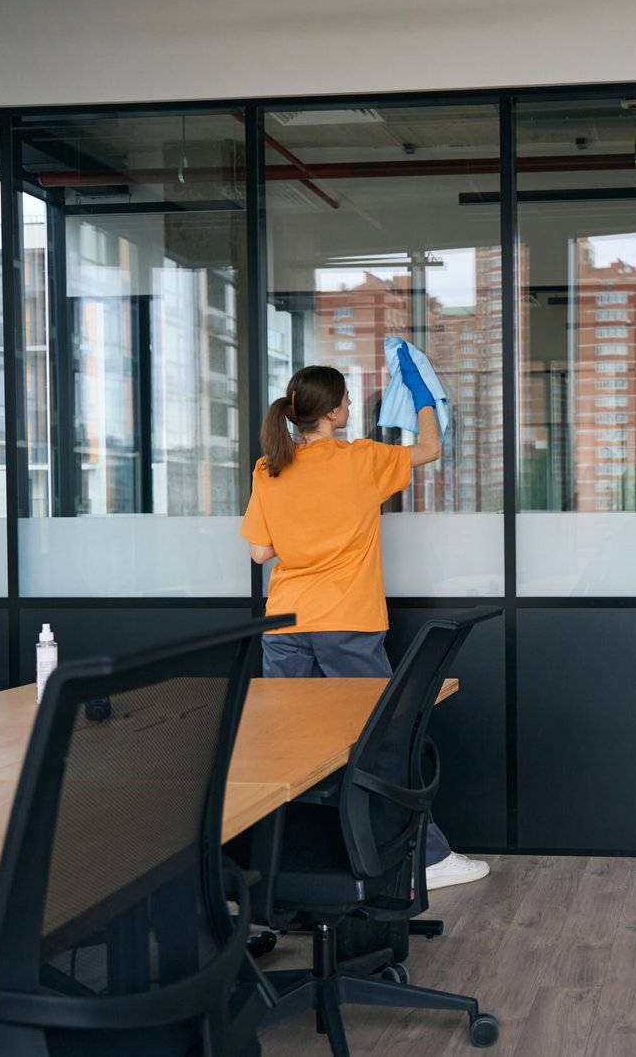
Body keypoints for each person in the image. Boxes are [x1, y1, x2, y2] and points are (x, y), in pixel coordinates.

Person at [239, 358, 489, 891]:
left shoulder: (269, 467)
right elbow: (430, 449)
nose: (352, 406)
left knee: (286, 749)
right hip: (346, 621)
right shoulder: (360, 459)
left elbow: (261, 551)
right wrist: (423, 395)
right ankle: (429, 858)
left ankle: (274, 874)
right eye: (348, 400)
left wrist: (303, 532)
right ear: (331, 412)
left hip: (284, 623)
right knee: (384, 742)